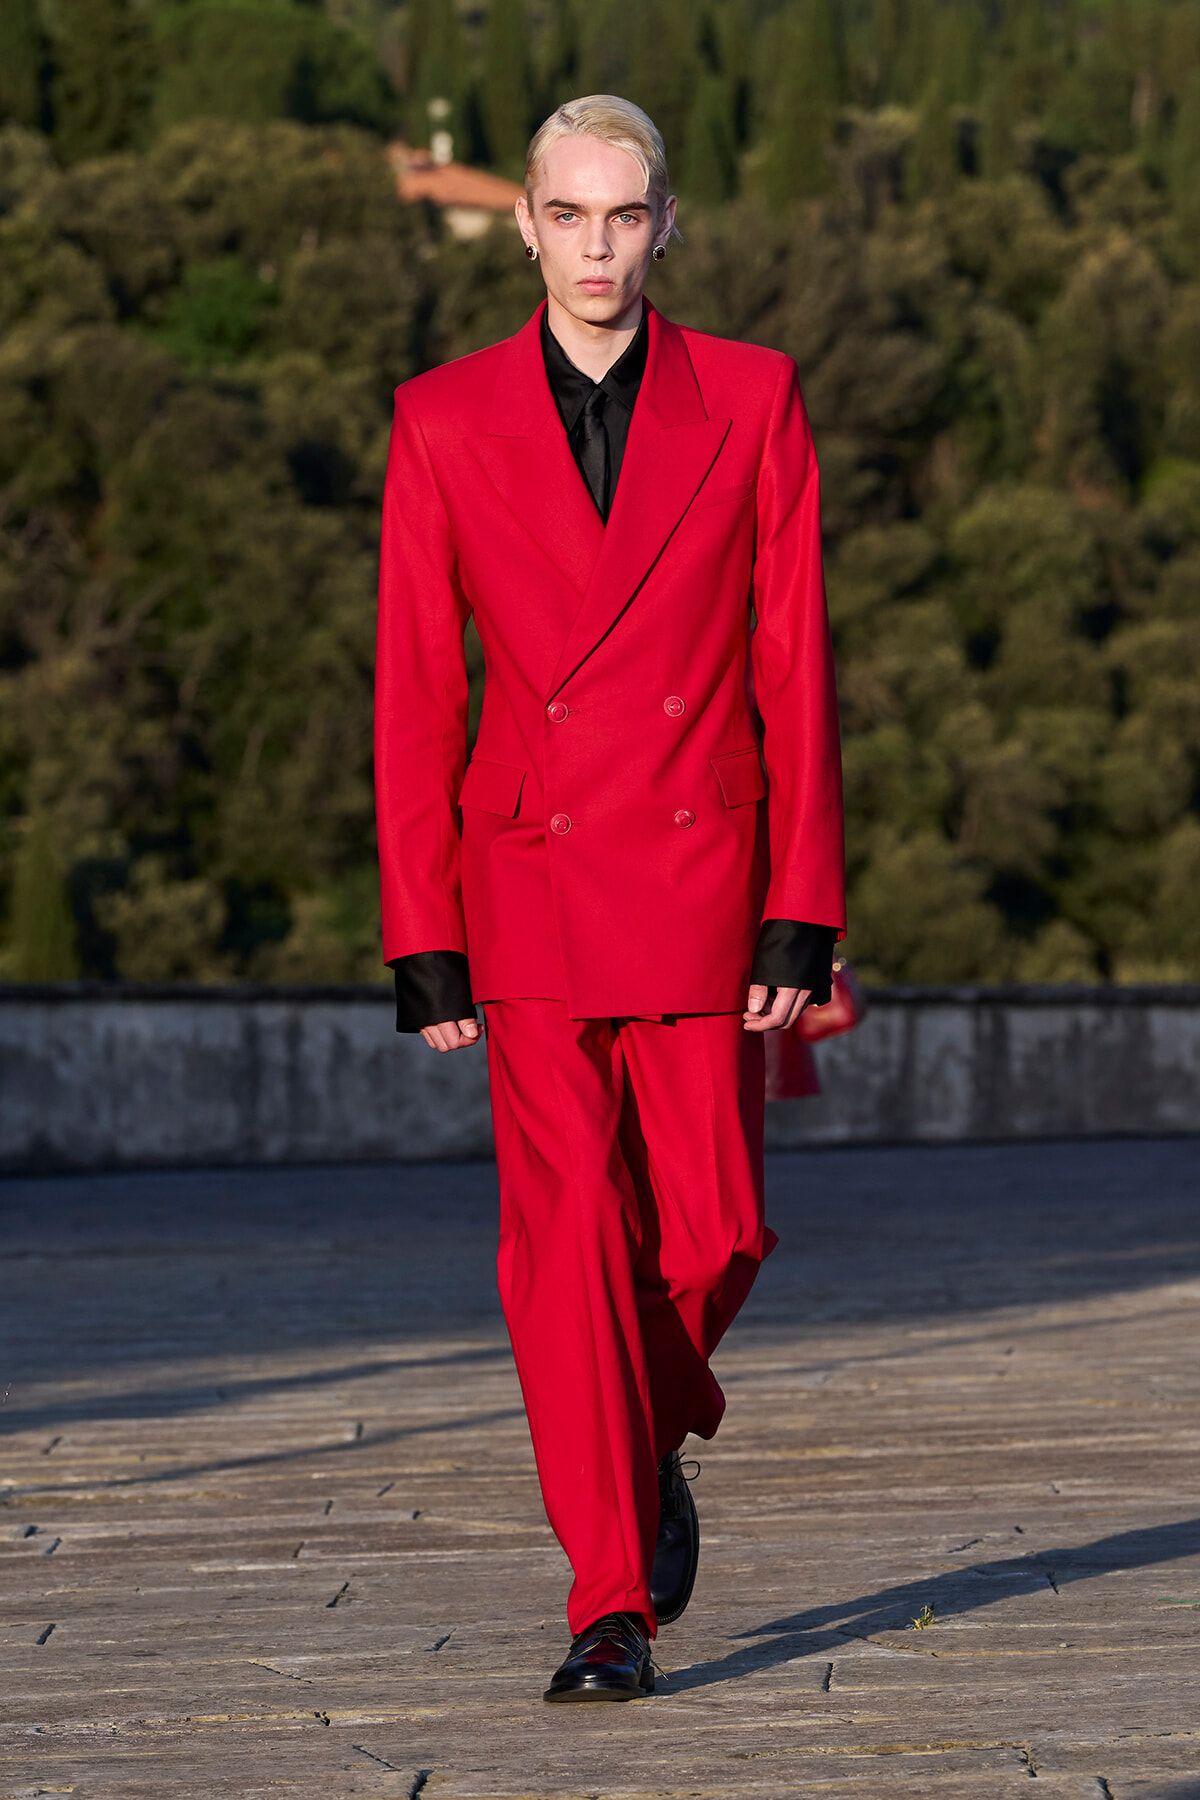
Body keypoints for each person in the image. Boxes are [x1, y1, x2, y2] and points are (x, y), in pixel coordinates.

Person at [375, 94, 844, 1703]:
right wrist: (420, 927)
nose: (595, 247)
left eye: (623, 217)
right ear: (523, 225)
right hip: (529, 889)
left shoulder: (756, 400)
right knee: (564, 1245)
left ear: (667, 226)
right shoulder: (439, 418)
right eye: (567, 216)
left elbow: (795, 662)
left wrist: (808, 902)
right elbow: (418, 694)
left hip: (710, 878)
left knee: (717, 1231)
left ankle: (640, 1439)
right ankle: (610, 1600)